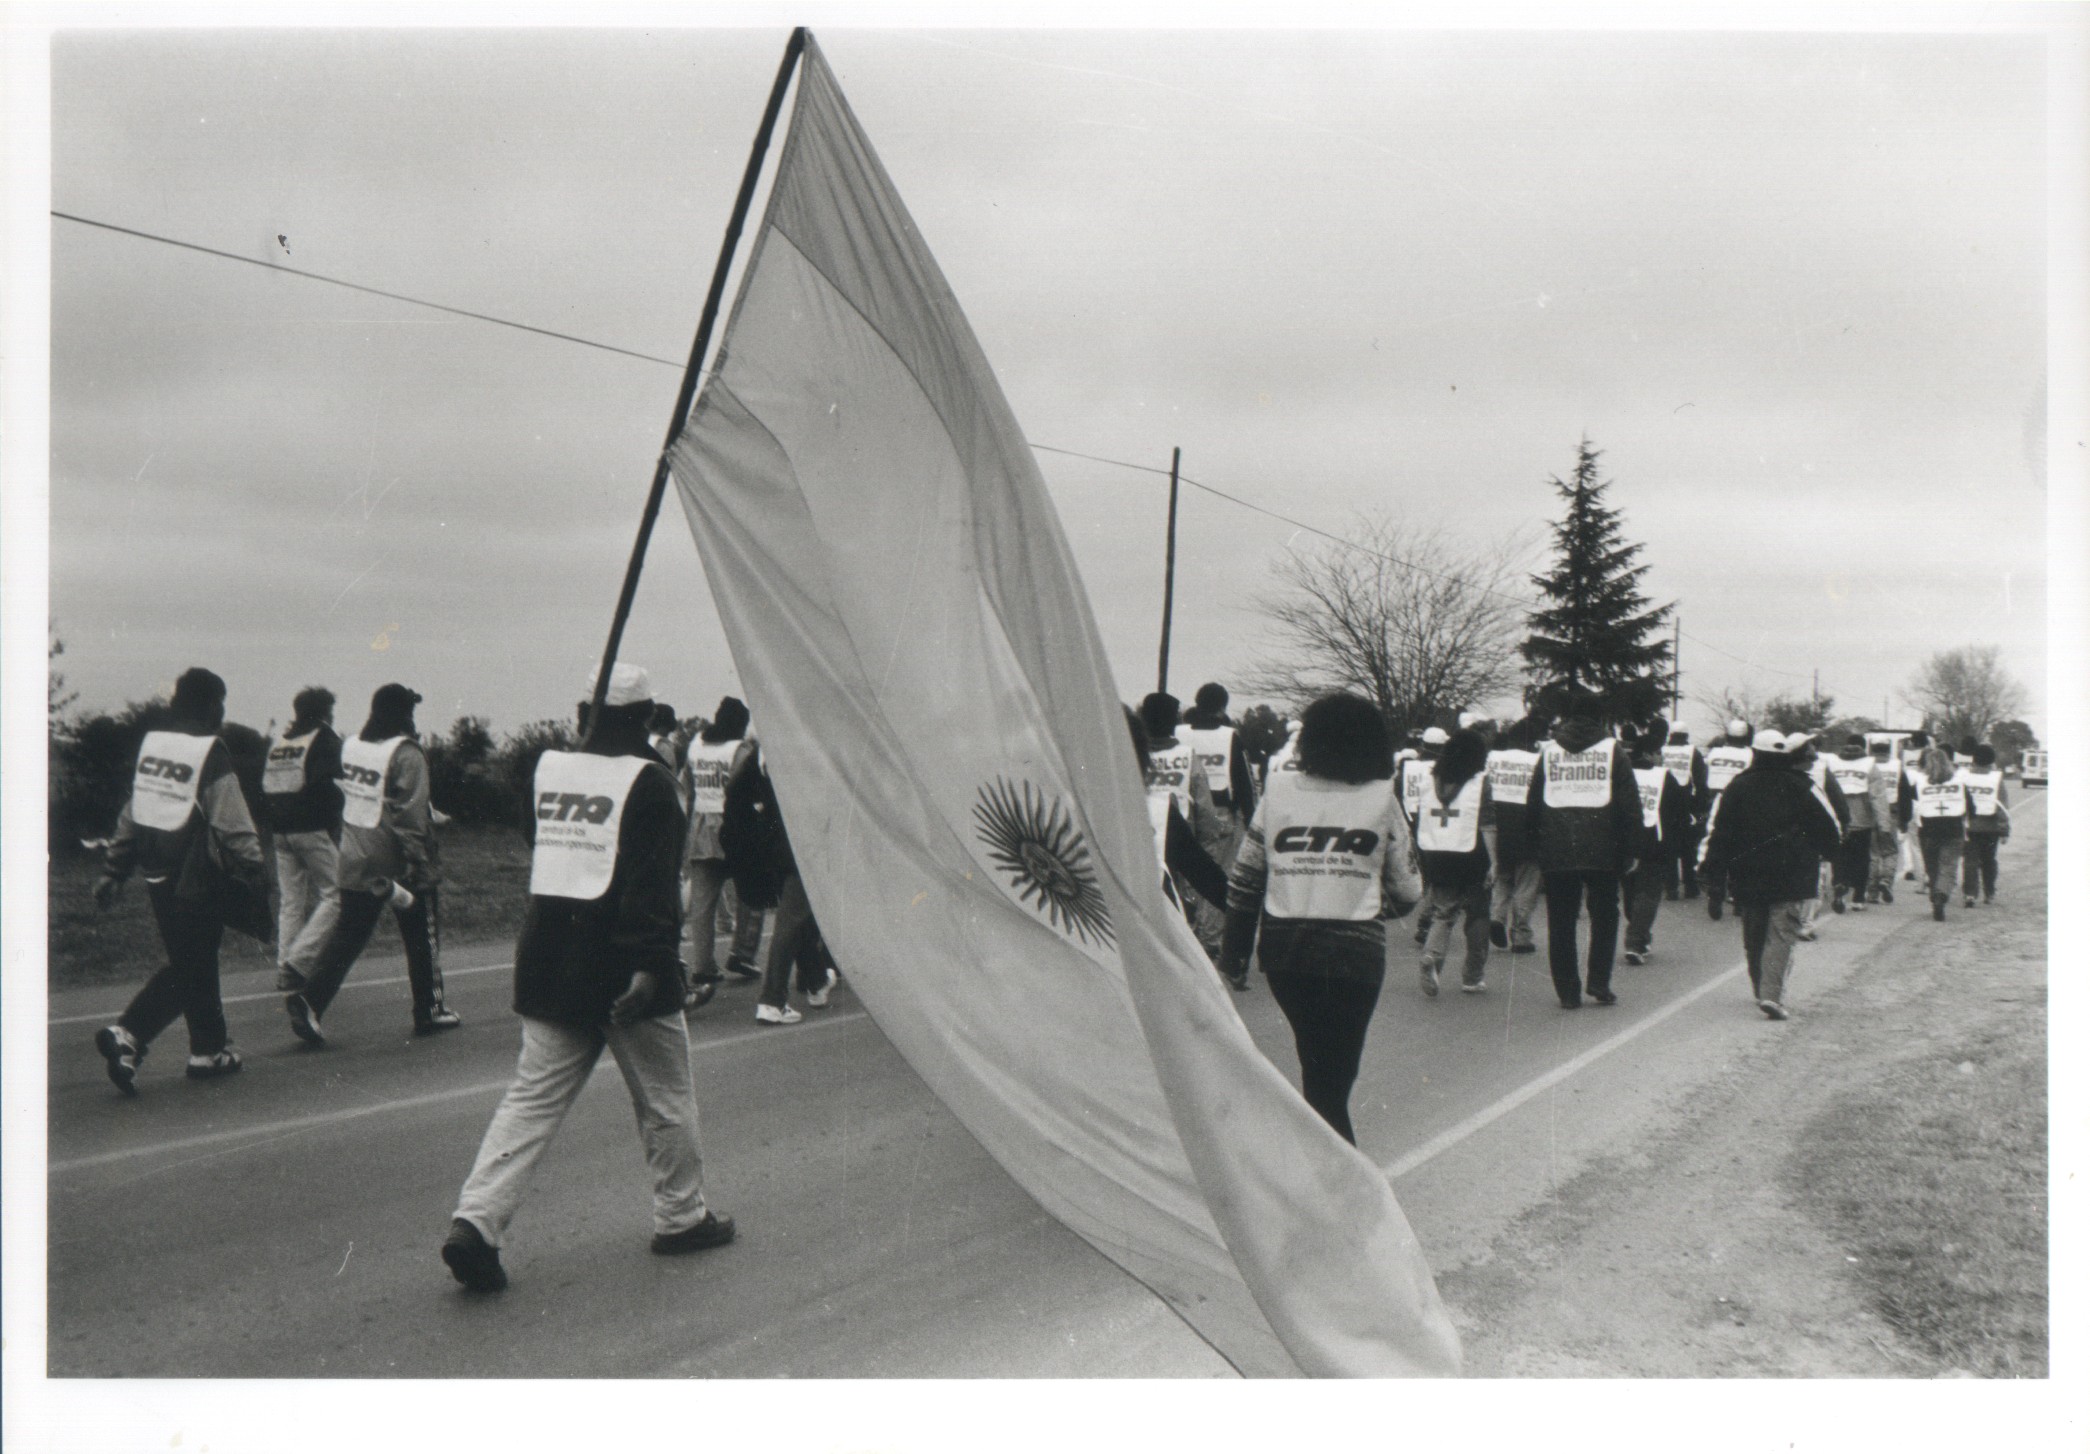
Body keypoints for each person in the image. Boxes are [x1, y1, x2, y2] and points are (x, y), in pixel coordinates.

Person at [440, 663, 731, 1292]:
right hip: (623, 965)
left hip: (548, 957)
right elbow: (653, 885)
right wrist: (654, 965)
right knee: (665, 1097)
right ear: (647, 716)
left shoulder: (547, 770)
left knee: (531, 1101)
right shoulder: (652, 783)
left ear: (585, 713)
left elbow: (541, 844)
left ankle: (477, 1221)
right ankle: (682, 1218)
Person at [1218, 692, 1421, 1144]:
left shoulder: (1279, 792)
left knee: (1317, 1069)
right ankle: (1338, 1188)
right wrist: (1365, 894)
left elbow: (1245, 882)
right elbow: (1409, 891)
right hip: (1355, 955)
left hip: (1286, 953)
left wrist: (1231, 959)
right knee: (1335, 1082)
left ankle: (1322, 1180)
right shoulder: (1382, 799)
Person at [91, 667, 271, 1091]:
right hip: (197, 875)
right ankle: (129, 1033)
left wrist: (115, 869)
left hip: (156, 876)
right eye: (220, 703)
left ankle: (207, 1051)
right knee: (192, 964)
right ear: (211, 705)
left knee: (195, 957)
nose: (222, 713)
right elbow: (231, 819)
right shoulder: (211, 751)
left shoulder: (155, 748)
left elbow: (133, 811)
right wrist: (254, 867)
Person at [285, 682, 460, 1044]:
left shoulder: (354, 747)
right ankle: (429, 1009)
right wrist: (422, 864)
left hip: (353, 854)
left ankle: (310, 1001)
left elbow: (370, 796)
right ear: (405, 714)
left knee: (348, 936)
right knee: (421, 936)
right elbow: (408, 815)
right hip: (394, 862)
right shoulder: (407, 752)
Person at [1698, 729, 1842, 1020]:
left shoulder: (1737, 786)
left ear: (1754, 753)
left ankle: (1759, 988)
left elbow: (1720, 832)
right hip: (1793, 875)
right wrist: (1832, 859)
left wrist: (1713, 873)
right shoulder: (1804, 785)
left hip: (1747, 875)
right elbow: (1831, 830)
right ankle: (1771, 994)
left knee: (1754, 934)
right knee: (1781, 934)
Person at [1524, 692, 1640, 1009]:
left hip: (1557, 847)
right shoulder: (1611, 749)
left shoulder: (1548, 752)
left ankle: (1568, 992)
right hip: (1605, 848)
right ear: (1600, 718)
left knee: (1560, 921)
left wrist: (1534, 845)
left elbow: (1533, 801)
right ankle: (1599, 982)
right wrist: (1631, 849)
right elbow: (1630, 803)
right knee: (1605, 917)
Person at [721, 741, 838, 1025]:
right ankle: (772, 1000)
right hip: (801, 847)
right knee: (792, 919)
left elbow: (737, 804)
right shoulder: (793, 753)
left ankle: (816, 979)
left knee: (799, 915)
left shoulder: (754, 760)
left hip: (772, 848)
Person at [262, 686, 345, 993]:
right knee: (338, 895)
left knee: (291, 902)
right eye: (330, 710)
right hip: (311, 828)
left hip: (279, 830)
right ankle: (300, 962)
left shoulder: (280, 742)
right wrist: (335, 821)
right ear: (323, 713)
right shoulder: (323, 738)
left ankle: (285, 967)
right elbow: (336, 783)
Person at [680, 696, 764, 1002]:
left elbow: (688, 788)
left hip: (702, 824)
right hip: (736, 825)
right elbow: (749, 786)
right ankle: (743, 951)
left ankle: (703, 967)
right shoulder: (741, 749)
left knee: (703, 903)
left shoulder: (694, 746)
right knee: (753, 891)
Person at [1140, 691, 1226, 958]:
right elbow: (1203, 804)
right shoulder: (1187, 755)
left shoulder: (1130, 753)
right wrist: (1211, 837)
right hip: (1179, 837)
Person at [1412, 728, 1496, 996]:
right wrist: (1495, 862)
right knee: (1478, 914)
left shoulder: (1429, 779)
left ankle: (1431, 955)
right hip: (1473, 854)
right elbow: (1488, 825)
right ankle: (1472, 976)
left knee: (1443, 911)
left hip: (1438, 852)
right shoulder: (1480, 782)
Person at [1622, 721, 1689, 965]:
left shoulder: (1624, 774)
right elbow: (1679, 810)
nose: (1662, 757)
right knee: (1648, 893)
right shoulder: (1664, 777)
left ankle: (1639, 933)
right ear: (1649, 754)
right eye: (1659, 752)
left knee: (1630, 891)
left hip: (1625, 839)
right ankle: (1636, 941)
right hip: (1654, 841)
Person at [1484, 717, 1543, 955]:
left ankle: (1496, 916)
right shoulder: (1537, 761)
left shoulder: (1493, 759)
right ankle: (1521, 935)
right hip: (1528, 830)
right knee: (1527, 884)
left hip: (1498, 827)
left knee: (1502, 878)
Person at [1786, 734, 1848, 942]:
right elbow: (1837, 800)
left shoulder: (1780, 771)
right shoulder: (1821, 769)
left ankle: (1795, 920)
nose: (1813, 747)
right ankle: (1805, 923)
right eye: (1810, 744)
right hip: (1810, 831)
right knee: (1813, 879)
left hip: (1788, 832)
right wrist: (1842, 825)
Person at [1823, 734, 1893, 913]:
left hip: (1838, 820)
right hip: (1862, 821)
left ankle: (1840, 883)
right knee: (1861, 859)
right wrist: (1884, 825)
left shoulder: (1832, 764)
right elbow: (1878, 797)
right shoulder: (1870, 766)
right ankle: (1858, 898)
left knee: (1839, 857)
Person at [1699, 719, 1755, 920]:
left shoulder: (1714, 753)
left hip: (1716, 801)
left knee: (1717, 848)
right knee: (1741, 851)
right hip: (1741, 804)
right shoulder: (1750, 755)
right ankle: (1738, 899)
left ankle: (1716, 890)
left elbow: (1705, 777)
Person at [1910, 744, 1972, 921]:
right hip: (1953, 829)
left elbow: (1910, 804)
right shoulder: (1959, 783)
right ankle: (1941, 895)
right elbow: (1970, 807)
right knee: (1949, 865)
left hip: (1928, 830)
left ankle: (1935, 893)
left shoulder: (1919, 783)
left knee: (1933, 866)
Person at [1660, 726, 1710, 900]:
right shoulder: (1693, 752)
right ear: (1686, 735)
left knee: (1669, 845)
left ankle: (1671, 887)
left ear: (1671, 735)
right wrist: (1701, 806)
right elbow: (1701, 780)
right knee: (1688, 846)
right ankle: (1690, 886)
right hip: (1687, 801)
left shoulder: (1662, 750)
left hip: (1665, 802)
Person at [1960, 743, 2012, 906]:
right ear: (1992, 761)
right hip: (1991, 827)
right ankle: (1989, 891)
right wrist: (2004, 830)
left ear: (1973, 760)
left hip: (1969, 826)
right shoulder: (1996, 778)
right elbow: (2002, 805)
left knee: (1970, 861)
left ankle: (1970, 893)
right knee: (1989, 860)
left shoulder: (1964, 776)